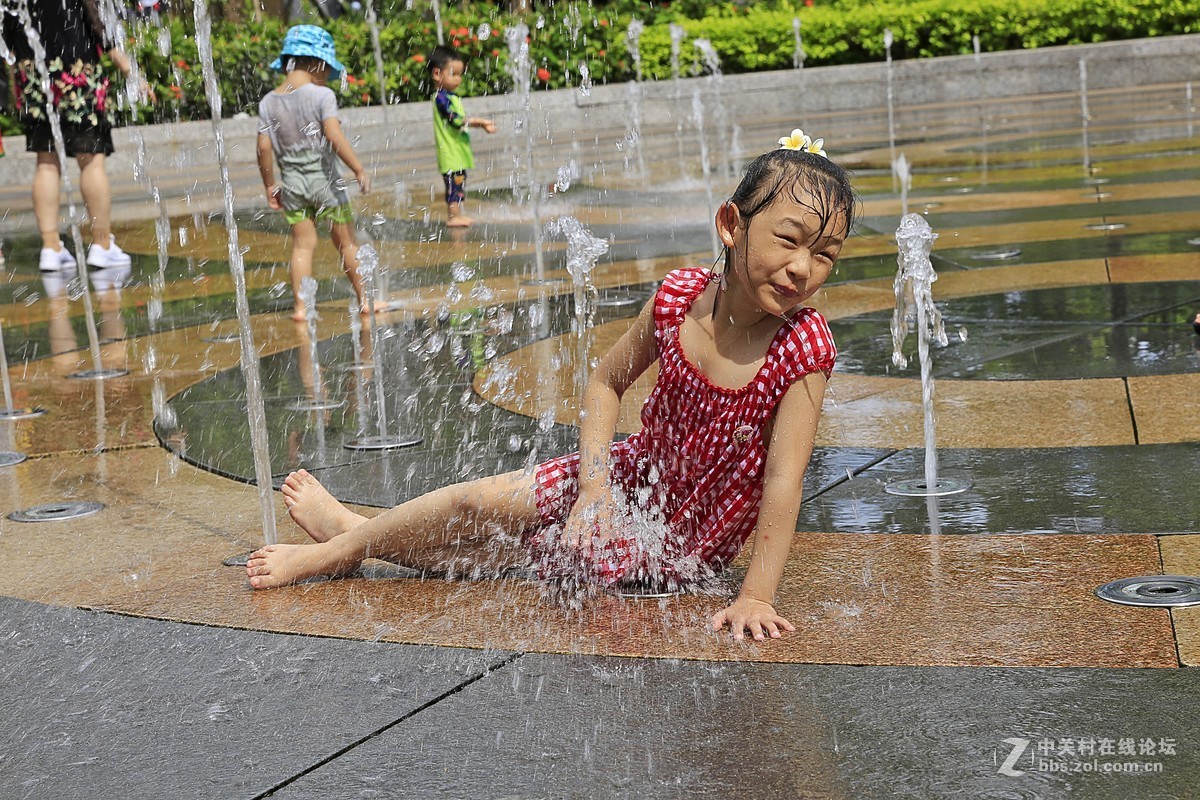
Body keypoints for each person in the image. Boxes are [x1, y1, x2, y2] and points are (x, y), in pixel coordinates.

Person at [247, 129, 853, 642]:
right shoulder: (678, 298)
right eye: (789, 239)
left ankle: (346, 542)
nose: (804, 267)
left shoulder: (801, 348)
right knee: (471, 506)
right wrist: (594, 488)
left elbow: (783, 480)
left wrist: (756, 596)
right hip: (624, 478)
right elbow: (604, 383)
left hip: (684, 538)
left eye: (826, 254)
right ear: (731, 225)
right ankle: (351, 539)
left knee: (505, 554)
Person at [2, 0, 141, 271]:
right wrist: (129, 70)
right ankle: (102, 245)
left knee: (46, 160)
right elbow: (99, 23)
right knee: (91, 158)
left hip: (34, 74)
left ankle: (51, 248)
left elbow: (7, 29)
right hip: (78, 68)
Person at [256, 25, 369, 322]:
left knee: (303, 246)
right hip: (327, 184)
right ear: (317, 62)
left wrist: (270, 185)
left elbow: (263, 148)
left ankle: (301, 307)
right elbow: (333, 135)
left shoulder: (268, 102)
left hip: (292, 185)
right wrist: (357, 167)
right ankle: (365, 300)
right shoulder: (322, 96)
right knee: (346, 242)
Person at [428, 45, 496, 228]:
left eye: (460, 74)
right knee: (453, 185)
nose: (459, 79)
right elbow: (455, 120)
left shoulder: (451, 97)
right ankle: (453, 217)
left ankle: (457, 214)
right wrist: (480, 122)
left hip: (457, 152)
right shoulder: (440, 99)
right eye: (454, 74)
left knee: (459, 183)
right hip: (450, 153)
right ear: (437, 74)